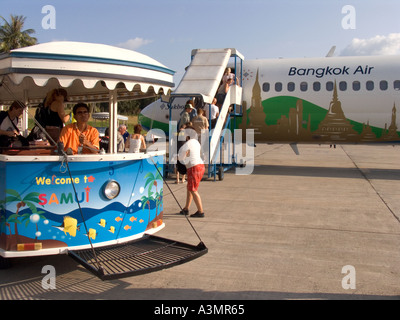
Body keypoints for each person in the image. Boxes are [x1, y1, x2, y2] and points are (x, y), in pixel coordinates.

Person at [178, 125, 205, 218]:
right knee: (189, 187)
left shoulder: (187, 144)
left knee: (193, 189)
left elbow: (181, 157)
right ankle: (186, 208)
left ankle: (200, 211)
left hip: (194, 167)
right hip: (200, 166)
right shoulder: (196, 142)